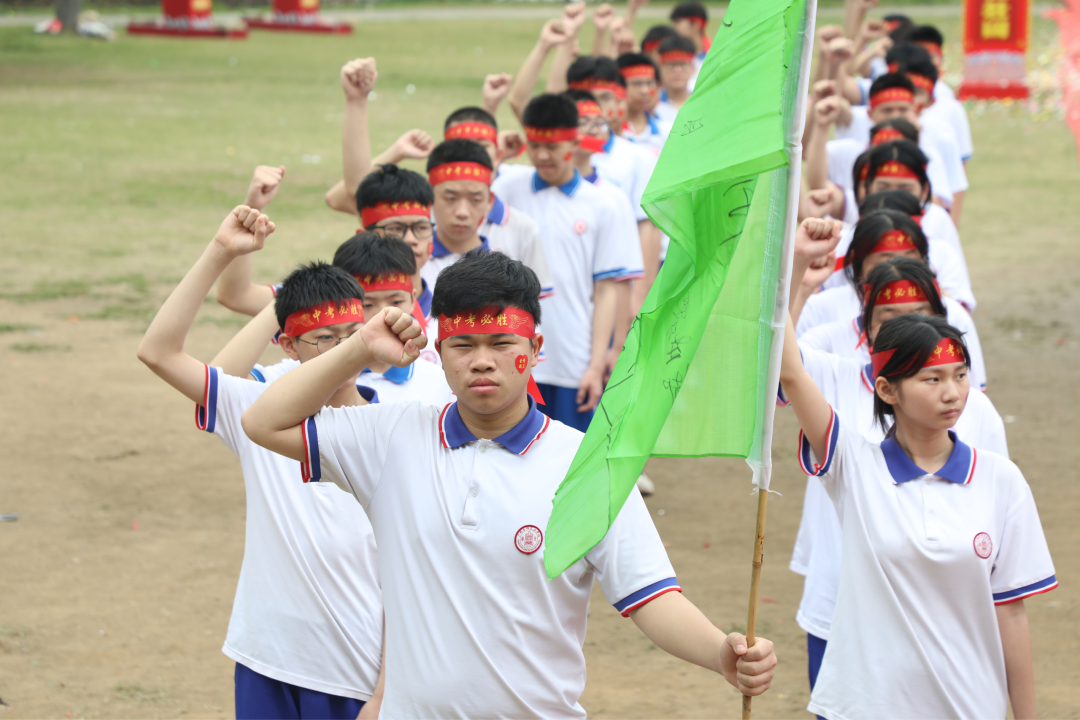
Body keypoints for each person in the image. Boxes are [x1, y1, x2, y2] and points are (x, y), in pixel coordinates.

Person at [240, 250, 779, 719]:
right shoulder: (389, 437)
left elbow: (650, 596)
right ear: (436, 350)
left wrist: (719, 653)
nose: (481, 362)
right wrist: (358, 348)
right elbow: (262, 423)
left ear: (536, 345)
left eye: (502, 343)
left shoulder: (586, 463)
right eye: (461, 345)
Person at [779, 252, 1054, 716]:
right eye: (932, 378)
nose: (953, 392)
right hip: (862, 707)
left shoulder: (1001, 481)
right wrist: (797, 270)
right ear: (888, 390)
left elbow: (1009, 610)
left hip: (968, 708)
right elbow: (787, 367)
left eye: (960, 375)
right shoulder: (852, 462)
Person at [136, 206, 383, 719]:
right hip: (267, 658)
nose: (342, 352)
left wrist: (384, 692)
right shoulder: (259, 406)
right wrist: (222, 251)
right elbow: (158, 351)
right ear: (287, 344)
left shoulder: (397, 429)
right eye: (323, 340)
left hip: (356, 669)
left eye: (351, 337)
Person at [491, 93, 638, 431]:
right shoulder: (508, 186)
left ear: (574, 141)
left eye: (553, 147)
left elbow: (607, 291)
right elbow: (464, 192)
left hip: (573, 359)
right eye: (534, 144)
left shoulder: (605, 203)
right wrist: (499, 151)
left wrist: (597, 362)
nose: (542, 156)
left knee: (571, 463)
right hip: (512, 355)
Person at [795, 209, 975, 337]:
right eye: (885, 258)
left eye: (909, 257)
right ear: (859, 264)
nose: (897, 266)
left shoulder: (953, 314)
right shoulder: (821, 315)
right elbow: (782, 365)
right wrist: (803, 287)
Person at [422, 138, 554, 301]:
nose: (462, 212)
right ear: (430, 196)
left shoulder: (509, 273)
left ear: (489, 201)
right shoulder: (412, 262)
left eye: (475, 199)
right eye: (450, 198)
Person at [616, 52, 671, 155]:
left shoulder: (668, 131)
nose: (645, 90)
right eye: (636, 84)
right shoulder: (609, 133)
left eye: (650, 83)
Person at [655, 35, 697, 124]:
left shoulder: (702, 101)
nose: (677, 70)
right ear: (660, 68)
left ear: (693, 68)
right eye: (671, 65)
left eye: (683, 65)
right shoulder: (652, 105)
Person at [670, 1, 710, 91]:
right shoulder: (671, 55)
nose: (674, 27)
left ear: (696, 24)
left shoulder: (713, 57)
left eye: (678, 22)